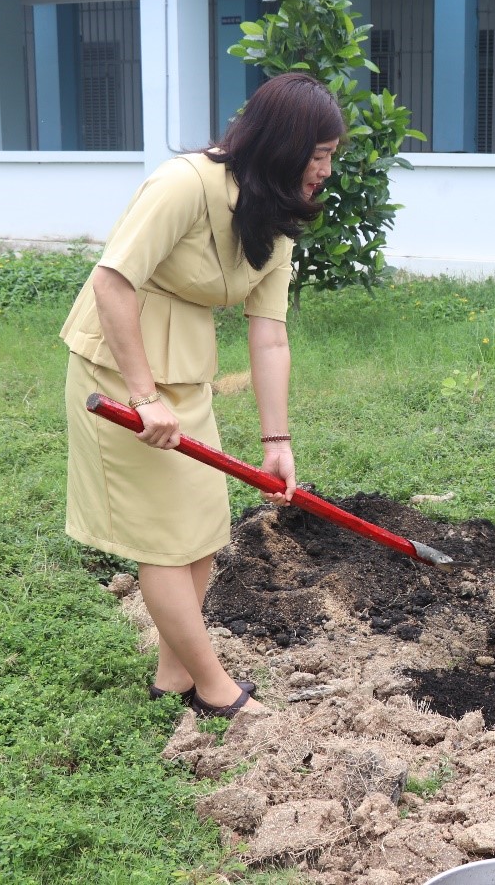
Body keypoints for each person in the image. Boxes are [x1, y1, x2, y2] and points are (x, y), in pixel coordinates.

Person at [61, 73, 345, 717]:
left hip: (184, 376)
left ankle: (172, 676)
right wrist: (142, 397)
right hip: (118, 370)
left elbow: (269, 335)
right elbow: (112, 283)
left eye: (331, 157)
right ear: (282, 145)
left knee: (201, 529)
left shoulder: (275, 214)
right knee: (165, 539)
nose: (326, 171)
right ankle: (215, 688)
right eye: (319, 155)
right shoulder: (183, 184)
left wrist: (278, 441)